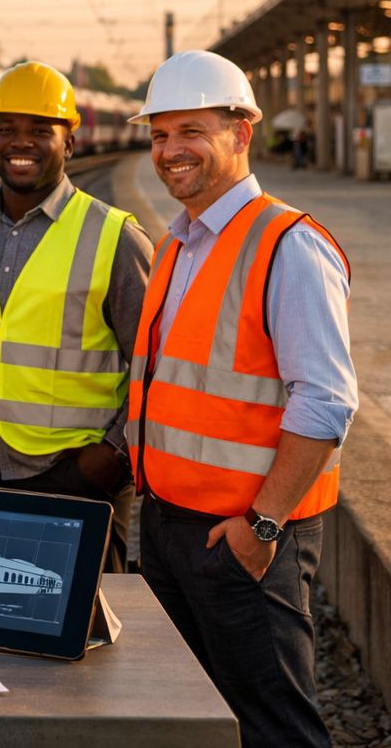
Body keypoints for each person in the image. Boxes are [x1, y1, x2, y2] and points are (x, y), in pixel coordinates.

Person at [127, 49, 355, 748]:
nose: (171, 151)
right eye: (160, 135)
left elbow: (325, 402)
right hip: (170, 528)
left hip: (245, 538)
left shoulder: (289, 245)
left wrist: (262, 528)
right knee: (191, 724)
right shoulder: (179, 244)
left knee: (274, 727)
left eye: (191, 132)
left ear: (241, 133)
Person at [0, 62, 151, 572]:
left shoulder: (115, 237)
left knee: (83, 619)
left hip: (76, 477)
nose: (20, 143)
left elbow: (155, 367)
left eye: (39, 130)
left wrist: (111, 456)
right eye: (6, 128)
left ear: (69, 142)